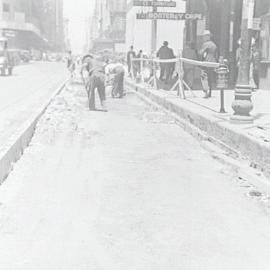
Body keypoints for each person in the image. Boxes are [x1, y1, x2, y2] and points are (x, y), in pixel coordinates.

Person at [199, 30, 218, 98]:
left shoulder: (205, 44)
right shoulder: (214, 44)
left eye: (204, 36)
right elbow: (216, 55)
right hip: (213, 63)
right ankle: (210, 92)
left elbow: (201, 53)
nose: (203, 38)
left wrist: (200, 62)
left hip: (206, 62)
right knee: (210, 78)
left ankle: (206, 91)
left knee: (204, 76)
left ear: (207, 36)